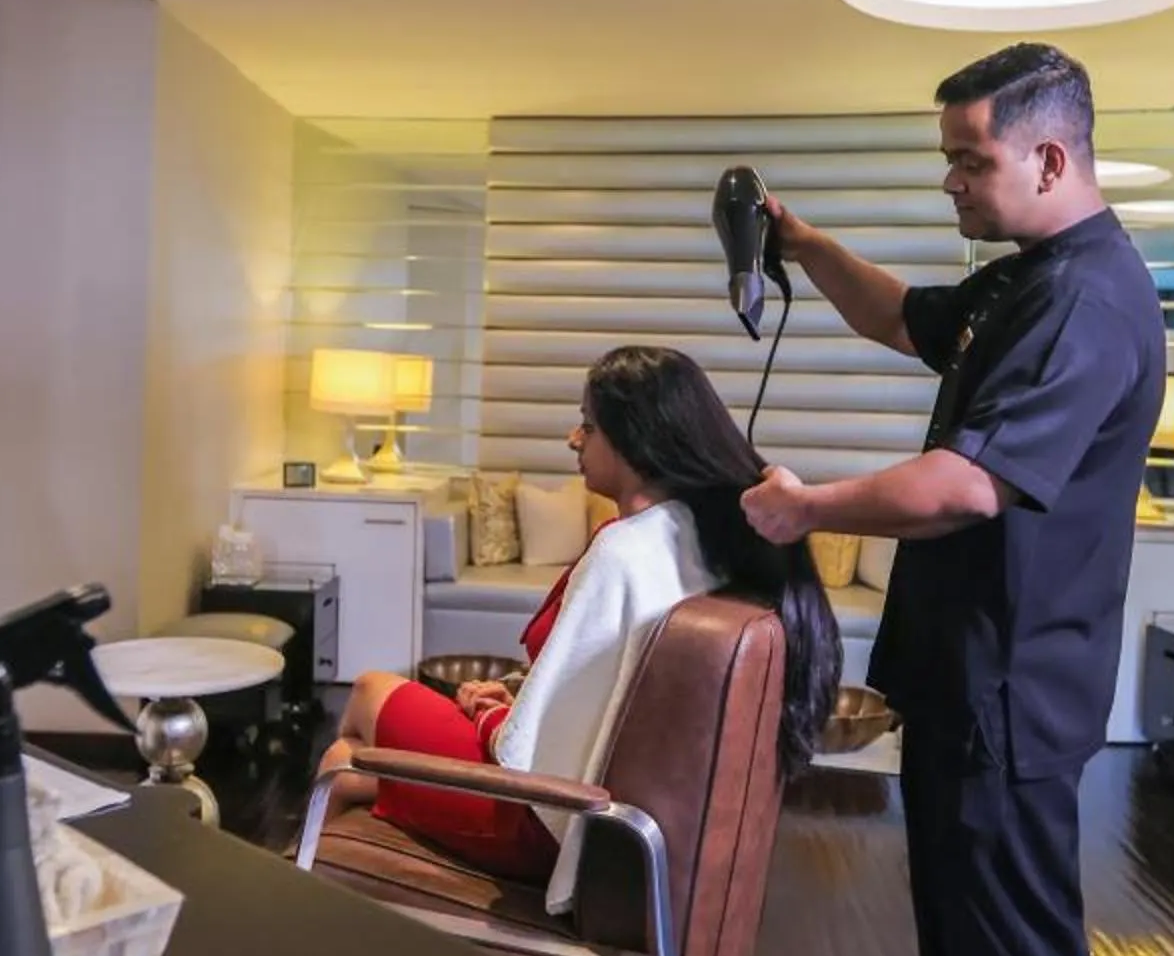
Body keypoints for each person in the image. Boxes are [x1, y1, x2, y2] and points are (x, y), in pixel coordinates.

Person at [743, 42, 1168, 956]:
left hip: (1015, 686)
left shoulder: (1090, 298)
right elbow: (899, 316)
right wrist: (804, 243)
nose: (951, 183)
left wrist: (809, 505)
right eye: (948, 160)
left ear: (1050, 155)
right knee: (957, 939)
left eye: (968, 161)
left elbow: (972, 484)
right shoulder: (1025, 278)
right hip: (960, 671)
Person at [315, 344, 840, 914]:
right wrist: (518, 703)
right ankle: (331, 884)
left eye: (588, 426)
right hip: (589, 807)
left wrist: (489, 714)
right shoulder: (693, 538)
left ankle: (304, 915)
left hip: (541, 818)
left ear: (634, 439)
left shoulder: (623, 553)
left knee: (365, 696)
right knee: (348, 761)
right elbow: (598, 702)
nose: (573, 439)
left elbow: (532, 755)